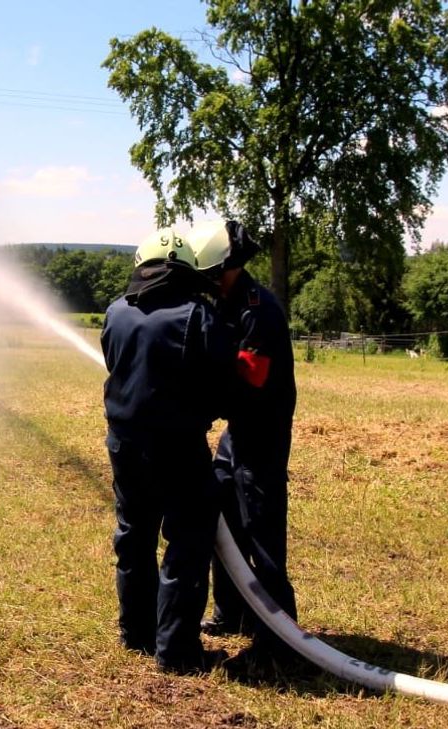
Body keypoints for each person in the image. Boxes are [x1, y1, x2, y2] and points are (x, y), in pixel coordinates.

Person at [101, 227, 237, 674]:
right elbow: (221, 386)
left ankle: (135, 633)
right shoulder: (197, 314)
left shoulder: (116, 311)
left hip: (123, 444)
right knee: (187, 540)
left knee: (134, 535)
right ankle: (176, 651)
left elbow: (112, 361)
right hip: (176, 447)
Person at [187, 220, 299, 661]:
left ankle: (278, 634)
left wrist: (201, 386)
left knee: (260, 529)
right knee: (224, 517)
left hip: (263, 432)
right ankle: (231, 611)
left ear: (224, 267)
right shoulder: (224, 302)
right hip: (237, 431)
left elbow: (250, 376)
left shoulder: (259, 310)